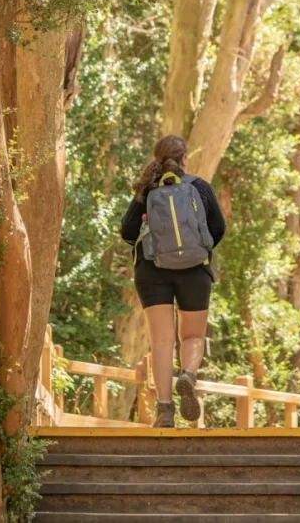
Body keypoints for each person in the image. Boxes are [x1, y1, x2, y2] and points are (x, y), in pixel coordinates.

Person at [121, 135, 226, 428]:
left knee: (161, 341)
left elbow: (128, 231)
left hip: (152, 269)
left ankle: (165, 412)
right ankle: (188, 375)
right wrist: (196, 251)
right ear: (184, 159)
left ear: (157, 158)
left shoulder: (146, 189)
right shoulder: (199, 187)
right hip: (194, 269)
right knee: (191, 336)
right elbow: (218, 228)